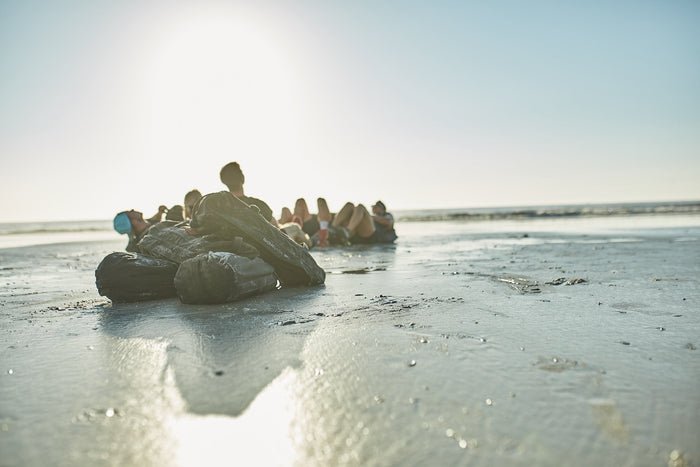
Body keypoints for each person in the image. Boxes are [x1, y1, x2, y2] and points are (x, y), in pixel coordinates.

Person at [219, 162, 278, 227]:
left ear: (224, 182)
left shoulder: (221, 208)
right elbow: (277, 230)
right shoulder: (259, 205)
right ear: (242, 179)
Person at [331, 200, 397, 244]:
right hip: (358, 234)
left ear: (382, 208)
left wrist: (371, 217)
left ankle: (347, 231)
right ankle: (331, 229)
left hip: (373, 236)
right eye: (373, 207)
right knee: (349, 205)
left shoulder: (386, 215)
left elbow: (388, 223)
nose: (373, 208)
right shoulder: (372, 216)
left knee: (360, 207)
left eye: (376, 207)